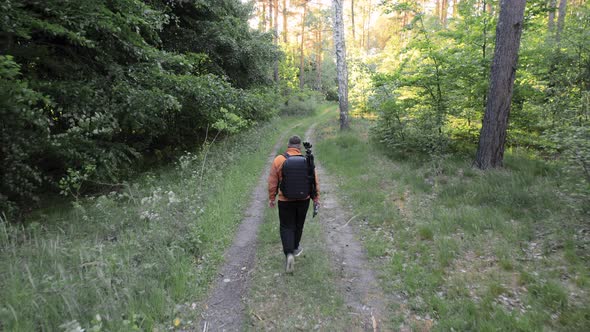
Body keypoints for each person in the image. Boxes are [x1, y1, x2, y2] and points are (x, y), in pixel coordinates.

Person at [268, 135, 320, 274]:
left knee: (286, 227)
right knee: (298, 225)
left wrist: (272, 197)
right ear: (299, 148)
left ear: (288, 145)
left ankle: (289, 254)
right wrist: (316, 198)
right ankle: (295, 247)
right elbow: (314, 181)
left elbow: (273, 181)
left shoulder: (279, 160)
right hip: (304, 200)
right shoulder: (306, 160)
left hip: (285, 200)